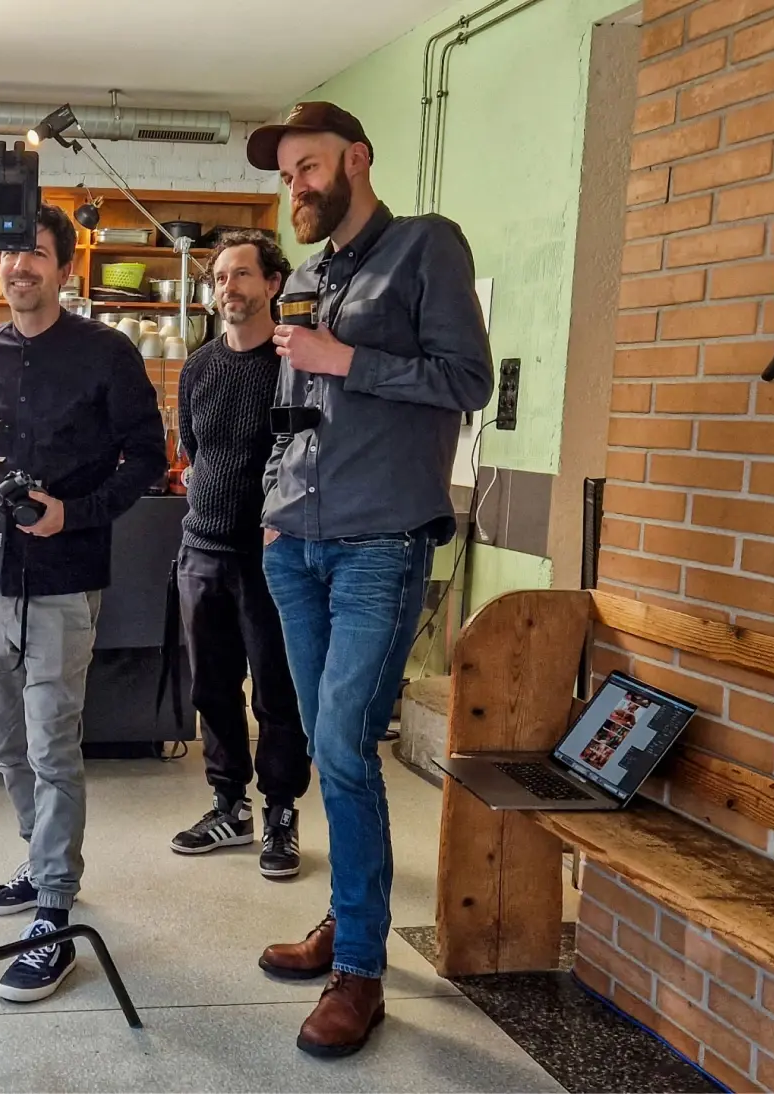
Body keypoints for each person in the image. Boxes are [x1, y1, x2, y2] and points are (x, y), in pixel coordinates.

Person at [245, 102, 493, 1056]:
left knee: (346, 745)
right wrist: (272, 511)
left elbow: (465, 381)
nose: (295, 187)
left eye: (307, 167)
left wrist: (346, 358)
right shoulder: (308, 274)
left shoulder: (427, 247)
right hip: (297, 546)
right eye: (285, 176)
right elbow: (300, 398)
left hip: (380, 546)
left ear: (355, 159)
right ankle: (351, 925)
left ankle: (360, 973)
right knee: (319, 742)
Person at [0, 205, 167, 1004]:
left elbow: (147, 454)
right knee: (2, 737)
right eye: (11, 255)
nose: (20, 268)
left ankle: (53, 908)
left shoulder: (106, 352)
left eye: (37, 256)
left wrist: (71, 513)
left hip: (65, 577)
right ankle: (38, 855)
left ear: (65, 270)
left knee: (52, 744)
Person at [168, 230, 310, 879]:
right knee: (211, 688)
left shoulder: (293, 366)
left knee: (277, 692)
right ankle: (230, 805)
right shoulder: (199, 366)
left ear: (272, 284)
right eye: (221, 277)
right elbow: (195, 449)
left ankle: (281, 811)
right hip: (201, 550)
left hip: (270, 557)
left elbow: (311, 456)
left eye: (242, 275)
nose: (229, 287)